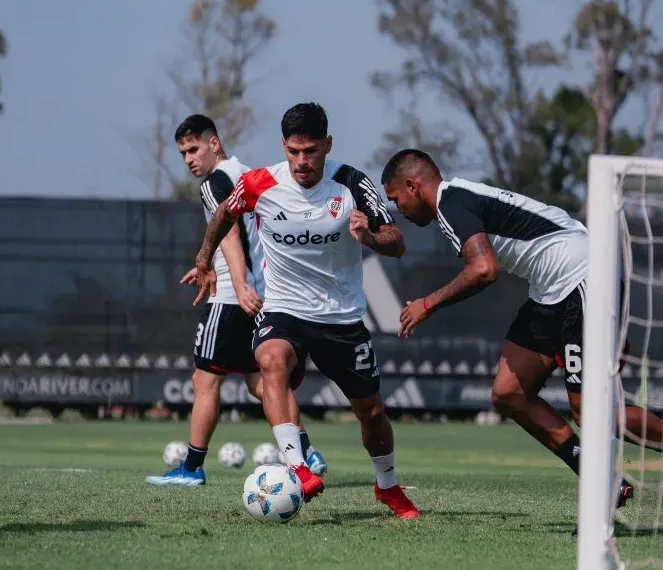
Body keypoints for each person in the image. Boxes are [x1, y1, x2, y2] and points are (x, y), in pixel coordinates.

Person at [381, 148, 663, 502]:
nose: (399, 210)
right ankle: (602, 478)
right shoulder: (456, 201)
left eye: (396, 199)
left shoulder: (451, 204)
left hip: (584, 277)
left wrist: (427, 303)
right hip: (551, 290)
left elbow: (484, 269)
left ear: (412, 185)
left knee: (591, 410)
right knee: (509, 393)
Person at [194, 103, 419, 518]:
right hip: (284, 309)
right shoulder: (260, 182)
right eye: (294, 151)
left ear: (327, 145)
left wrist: (369, 236)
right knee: (270, 360)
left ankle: (387, 486)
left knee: (371, 412)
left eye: (311, 151)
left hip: (341, 318)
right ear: (284, 146)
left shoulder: (351, 183)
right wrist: (206, 258)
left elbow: (397, 240)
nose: (302, 161)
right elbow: (225, 212)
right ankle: (297, 467)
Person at [147, 114, 326, 487]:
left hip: (232, 297)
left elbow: (228, 232)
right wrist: (211, 265)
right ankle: (307, 451)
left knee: (204, 380)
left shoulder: (215, 182)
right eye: (183, 153)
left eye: (194, 149)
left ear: (214, 143)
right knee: (260, 382)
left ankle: (192, 468)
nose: (189, 160)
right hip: (262, 292)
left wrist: (239, 282)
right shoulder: (249, 173)